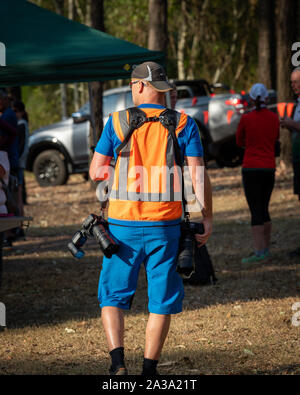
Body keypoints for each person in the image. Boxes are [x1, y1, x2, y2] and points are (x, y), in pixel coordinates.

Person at [89, 61, 213, 375]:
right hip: (166, 227)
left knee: (113, 296)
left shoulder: (116, 122)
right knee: (161, 300)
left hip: (121, 228)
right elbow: (198, 176)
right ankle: (149, 370)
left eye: (132, 84)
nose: (132, 89)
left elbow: (95, 171)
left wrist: (121, 175)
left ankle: (117, 363)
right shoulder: (184, 123)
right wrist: (207, 218)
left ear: (141, 86)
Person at [236, 83, 280, 263]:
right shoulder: (274, 117)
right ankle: (266, 248)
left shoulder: (246, 119)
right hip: (269, 167)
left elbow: (239, 141)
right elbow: (275, 138)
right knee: (265, 207)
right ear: (267, 99)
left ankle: (258, 251)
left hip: (251, 167)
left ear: (251, 99)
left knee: (255, 210)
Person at [280, 67, 300, 257]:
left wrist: (292, 124)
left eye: (296, 82)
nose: (293, 85)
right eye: (292, 82)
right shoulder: (297, 103)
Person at [12, 101, 29, 217]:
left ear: (21, 112)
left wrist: (16, 159)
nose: (14, 114)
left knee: (18, 192)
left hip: (19, 163)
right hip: (20, 162)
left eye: (15, 111)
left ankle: (19, 220)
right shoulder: (22, 123)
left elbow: (21, 145)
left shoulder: (21, 124)